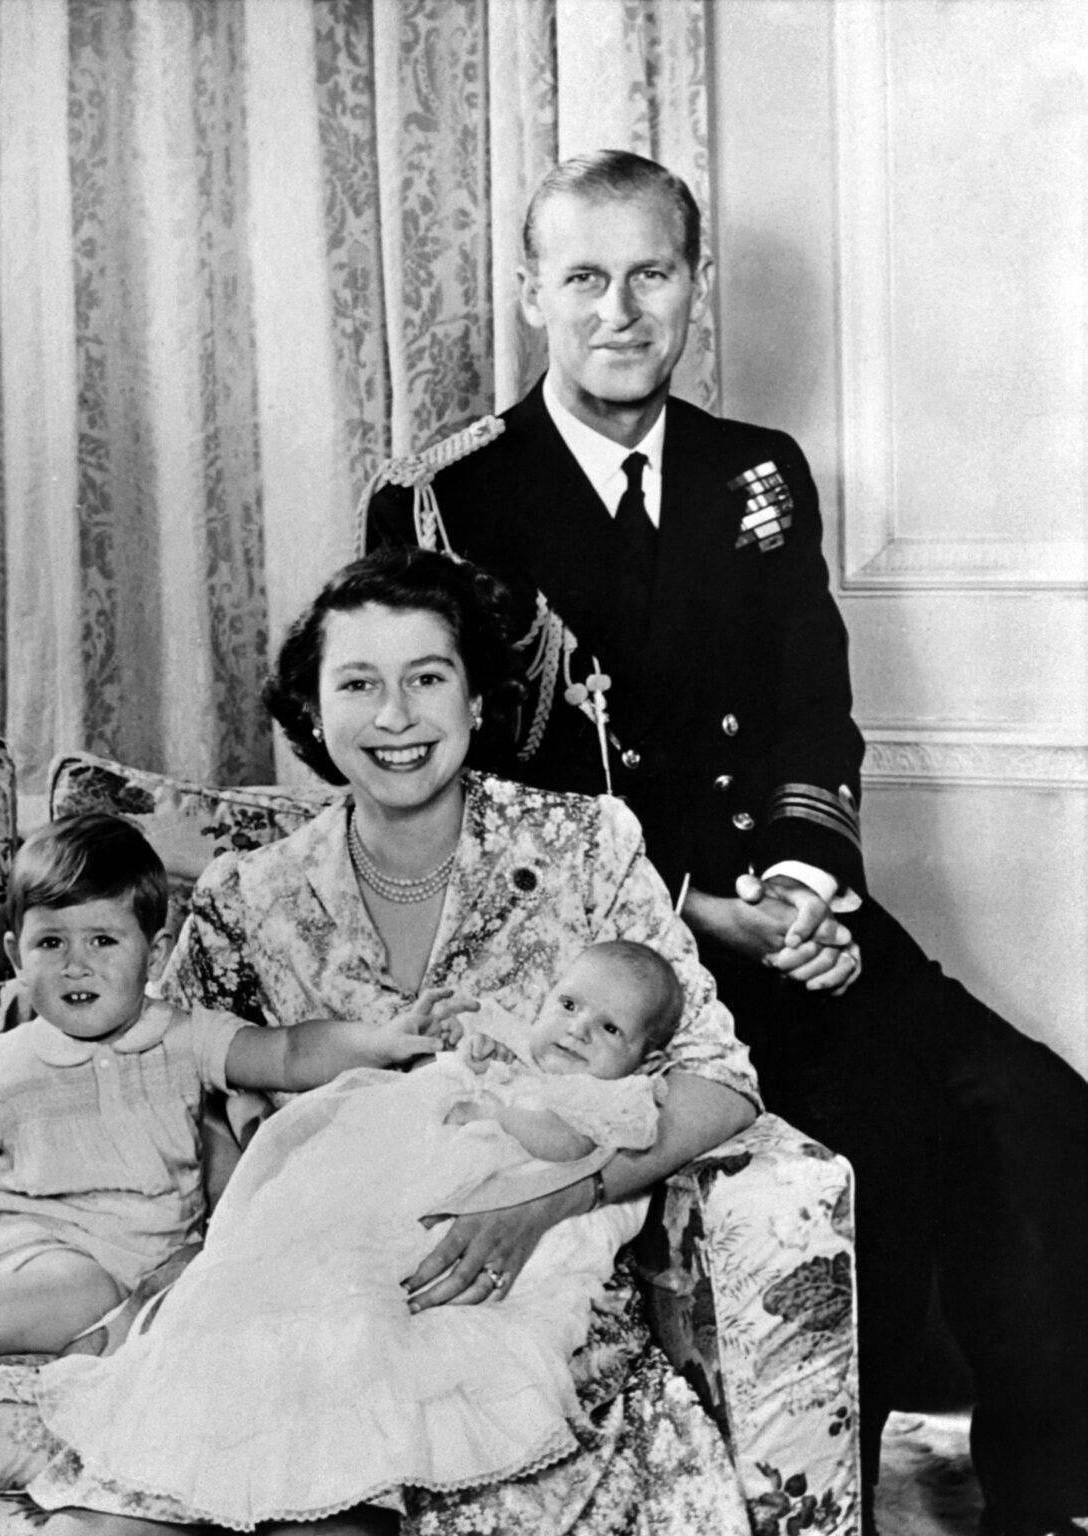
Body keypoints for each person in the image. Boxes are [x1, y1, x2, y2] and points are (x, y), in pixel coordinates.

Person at [365, 149, 1088, 1536]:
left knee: (1033, 1107)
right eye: (584, 277)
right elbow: (472, 792)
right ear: (531, 296)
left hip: (784, 910)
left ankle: (1047, 1500)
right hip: (608, 958)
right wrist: (702, 909)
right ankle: (823, 1511)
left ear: (693, 287)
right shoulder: (444, 500)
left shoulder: (754, 471)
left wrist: (808, 890)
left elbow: (813, 711)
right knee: (868, 1141)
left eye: (651, 274)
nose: (619, 310)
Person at [31, 545, 759, 1536]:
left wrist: (548, 1200)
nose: (396, 718)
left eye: (427, 679)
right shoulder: (254, 897)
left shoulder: (588, 845)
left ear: (475, 700)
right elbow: (163, 1082)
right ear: (314, 712)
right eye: (358, 685)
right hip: (297, 1310)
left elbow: (720, 1081)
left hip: (507, 1333)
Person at [30, 940, 691, 1527]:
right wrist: (477, 1066)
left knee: (380, 1324)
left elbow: (567, 1142)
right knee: (309, 1258)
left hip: (490, 1232)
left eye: (607, 1028)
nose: (577, 1031)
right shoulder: (518, 1061)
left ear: (646, 1057)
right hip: (407, 1198)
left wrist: (501, 1108)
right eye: (568, 1005)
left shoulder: (613, 1101)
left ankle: (325, 1431)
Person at [0, 812, 449, 1405]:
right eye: (51, 944)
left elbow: (287, 1053)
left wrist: (381, 1040)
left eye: (102, 940)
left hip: (153, 1253)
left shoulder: (186, 1036)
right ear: (15, 956)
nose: (76, 965)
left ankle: (103, 1340)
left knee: (235, 1292)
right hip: (32, 1239)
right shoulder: (3, 1070)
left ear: (156, 945)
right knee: (79, 1285)